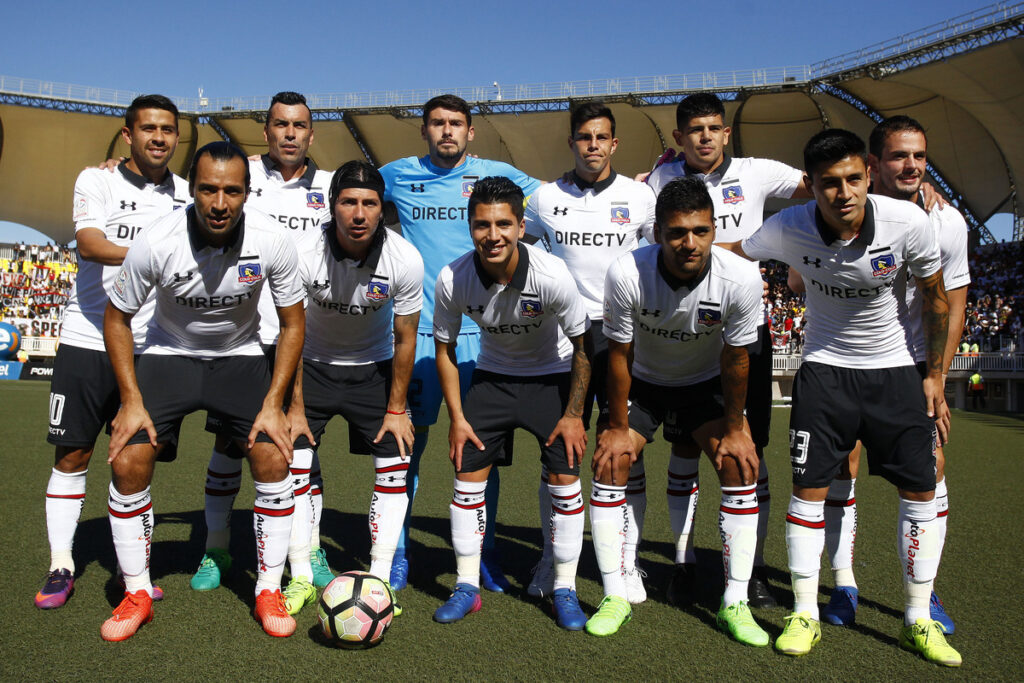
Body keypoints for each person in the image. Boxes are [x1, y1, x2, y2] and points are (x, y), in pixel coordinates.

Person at [725, 129, 961, 666]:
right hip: (825, 375)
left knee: (921, 493)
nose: (844, 193)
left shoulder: (908, 223)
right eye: (830, 183)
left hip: (897, 373)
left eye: (854, 178)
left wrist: (934, 375)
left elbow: (935, 296)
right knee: (809, 492)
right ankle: (805, 611)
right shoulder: (788, 226)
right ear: (811, 186)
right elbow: (735, 251)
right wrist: (672, 242)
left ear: (869, 176)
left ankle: (917, 620)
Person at [101, 142, 305, 641]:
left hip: (239, 357)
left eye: (231, 191)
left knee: (276, 458)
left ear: (247, 193)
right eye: (208, 190)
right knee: (128, 460)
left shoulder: (272, 239)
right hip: (170, 356)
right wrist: (130, 401)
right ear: (191, 190)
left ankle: (268, 588)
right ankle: (138, 593)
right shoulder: (158, 238)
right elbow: (117, 318)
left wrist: (277, 404)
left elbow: (294, 324)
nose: (219, 203)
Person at [802, 116, 970, 633]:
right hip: (851, 360)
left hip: (917, 365)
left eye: (920, 156)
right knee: (839, 469)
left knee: (929, 471)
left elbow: (954, 303)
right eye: (899, 155)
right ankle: (844, 583)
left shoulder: (948, 223)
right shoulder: (840, 207)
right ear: (875, 165)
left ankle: (924, 594)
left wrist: (937, 378)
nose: (912, 165)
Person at [645, 93, 810, 607]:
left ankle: (752, 569)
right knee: (686, 447)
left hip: (744, 330)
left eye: (714, 128)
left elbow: (821, 184)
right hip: (684, 332)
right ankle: (683, 562)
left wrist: (800, 251)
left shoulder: (759, 172)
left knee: (748, 451)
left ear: (726, 133)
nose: (706, 137)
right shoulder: (656, 181)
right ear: (679, 138)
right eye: (695, 129)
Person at [589, 177, 765, 642]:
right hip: (643, 382)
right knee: (612, 461)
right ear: (657, 234)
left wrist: (736, 427)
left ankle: (736, 601)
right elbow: (619, 355)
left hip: (702, 384)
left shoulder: (741, 277)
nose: (690, 243)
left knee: (739, 464)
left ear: (713, 228)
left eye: (701, 231)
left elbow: (737, 358)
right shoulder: (626, 272)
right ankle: (615, 593)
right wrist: (618, 426)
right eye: (677, 233)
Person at [378, 95, 542, 592]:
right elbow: (342, 189)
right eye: (437, 124)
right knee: (408, 448)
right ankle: (398, 551)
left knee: (480, 451)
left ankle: (482, 552)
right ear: (424, 130)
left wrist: (643, 184)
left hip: (487, 340)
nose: (447, 131)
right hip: (422, 337)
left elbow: (561, 200)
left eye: (456, 124)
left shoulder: (498, 176)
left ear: (471, 132)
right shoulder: (397, 175)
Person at [35, 94, 189, 610]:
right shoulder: (95, 181)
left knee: (134, 463)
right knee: (73, 454)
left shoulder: (190, 195)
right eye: (148, 128)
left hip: (153, 346)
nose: (159, 138)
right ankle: (61, 564)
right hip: (86, 338)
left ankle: (134, 575)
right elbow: (91, 244)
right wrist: (161, 250)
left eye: (168, 129)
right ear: (128, 134)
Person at [190, 92, 337, 595]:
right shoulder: (240, 174)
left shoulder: (333, 185)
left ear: (311, 134)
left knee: (300, 448)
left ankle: (309, 550)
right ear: (267, 130)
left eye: (299, 126)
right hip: (246, 338)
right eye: (280, 125)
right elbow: (182, 195)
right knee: (231, 442)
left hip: (303, 338)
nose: (290, 134)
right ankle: (216, 548)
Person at [431, 176, 591, 629]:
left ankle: (564, 588)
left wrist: (575, 415)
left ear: (521, 226)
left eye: (503, 223)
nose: (493, 235)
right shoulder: (453, 277)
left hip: (551, 378)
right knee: (466, 481)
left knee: (565, 482)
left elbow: (584, 346)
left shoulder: (552, 274)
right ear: (470, 226)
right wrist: (457, 418)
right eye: (482, 224)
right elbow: (444, 350)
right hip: (493, 380)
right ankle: (466, 586)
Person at [523, 101, 655, 603]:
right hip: (564, 339)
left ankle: (626, 561)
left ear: (614, 144)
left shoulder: (639, 197)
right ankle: (550, 559)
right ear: (572, 142)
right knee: (560, 454)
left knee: (622, 448)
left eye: (602, 137)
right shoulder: (544, 197)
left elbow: (658, 253)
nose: (593, 145)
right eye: (584, 137)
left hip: (625, 335)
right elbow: (526, 256)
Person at [281, 160, 423, 616]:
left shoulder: (405, 258)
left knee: (395, 463)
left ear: (383, 209)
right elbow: (292, 334)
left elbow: (406, 338)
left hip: (374, 369)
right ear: (331, 206)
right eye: (348, 202)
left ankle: (380, 578)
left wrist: (397, 408)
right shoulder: (300, 252)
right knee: (294, 464)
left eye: (369, 203)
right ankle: (302, 574)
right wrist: (295, 406)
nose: (359, 214)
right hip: (313, 369)